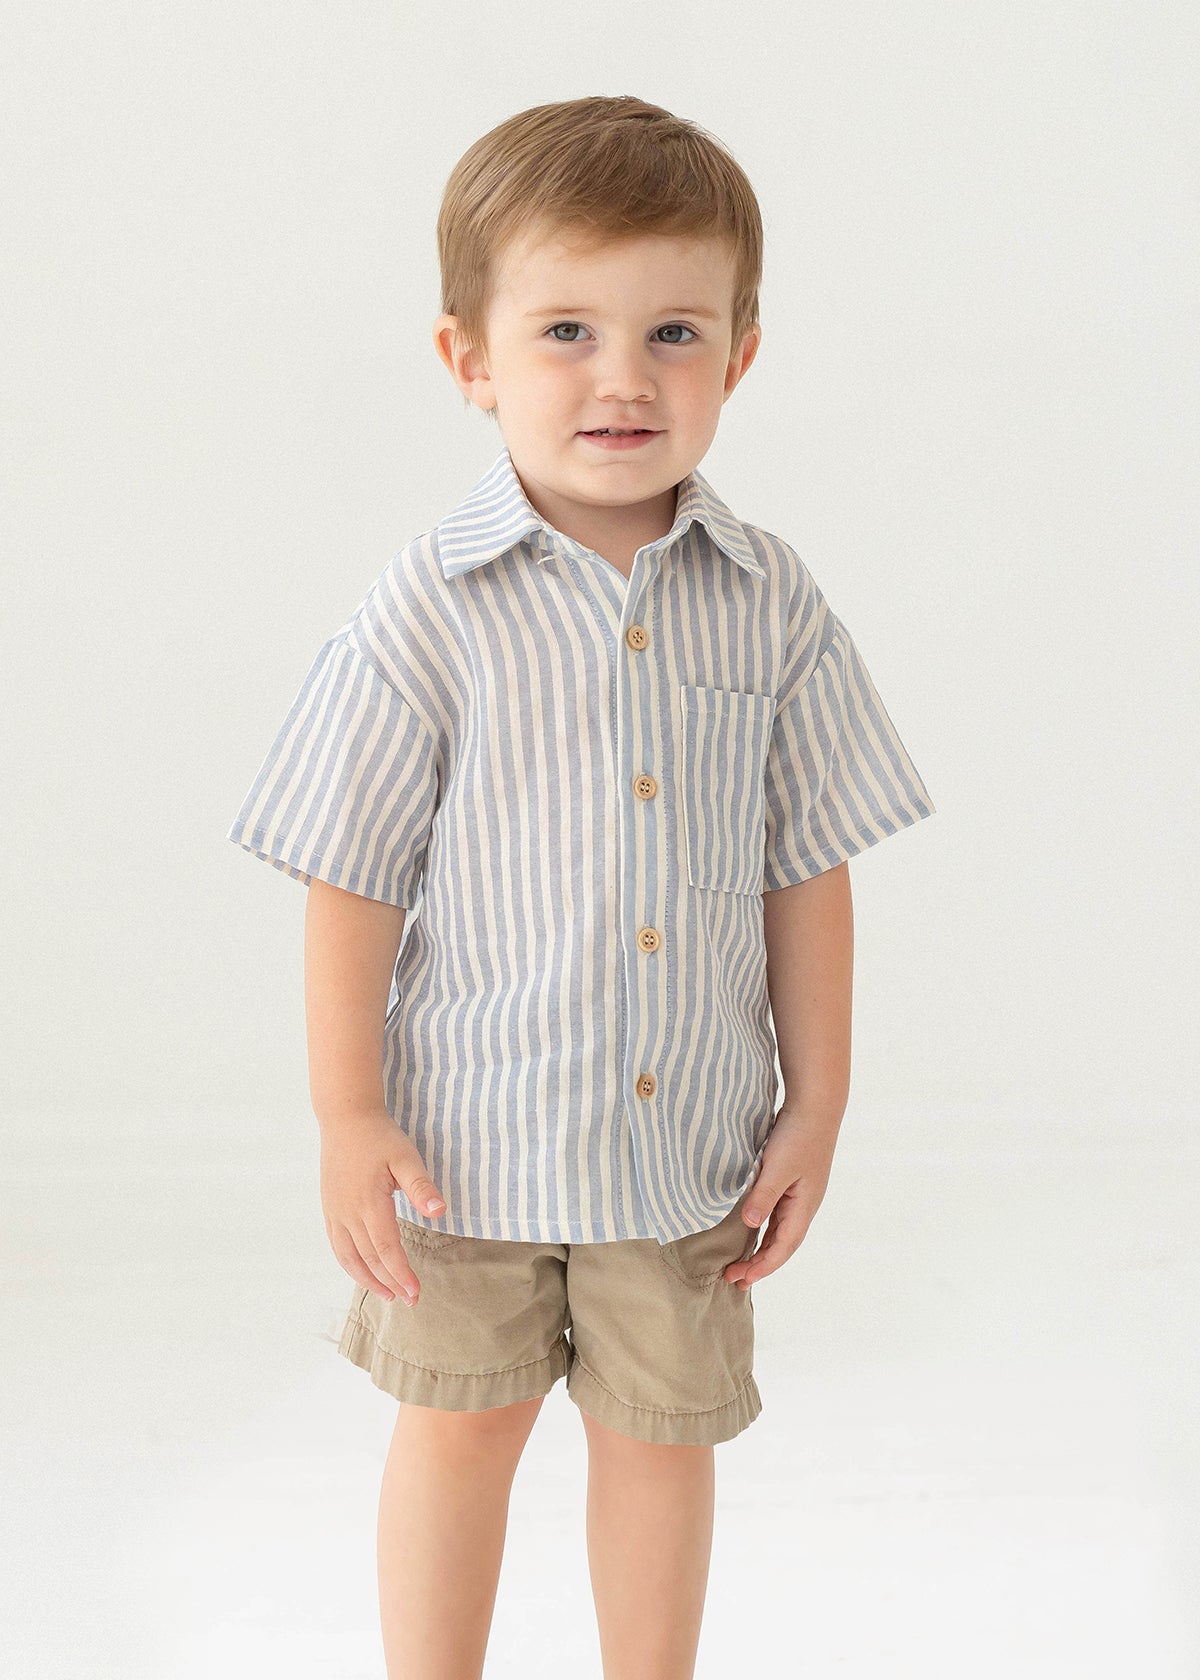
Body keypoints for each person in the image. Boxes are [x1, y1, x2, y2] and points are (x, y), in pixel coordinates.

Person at [226, 94, 936, 1680]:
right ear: (468, 359)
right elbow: (348, 878)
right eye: (565, 330)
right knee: (456, 1441)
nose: (623, 377)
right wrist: (349, 1114)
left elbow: (805, 865)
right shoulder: (430, 606)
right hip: (461, 1159)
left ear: (739, 357)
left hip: (680, 1149)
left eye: (673, 331)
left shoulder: (770, 603)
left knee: (662, 1445)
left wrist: (815, 1104)